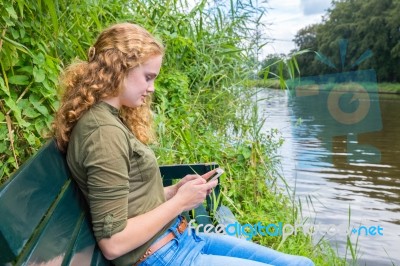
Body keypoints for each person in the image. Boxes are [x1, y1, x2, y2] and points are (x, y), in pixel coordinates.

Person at [53, 22, 314, 266]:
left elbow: (130, 200)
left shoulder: (108, 119)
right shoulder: (102, 133)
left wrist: (175, 192)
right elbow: (114, 243)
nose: (151, 88)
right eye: (148, 77)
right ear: (119, 68)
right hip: (164, 256)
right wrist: (180, 204)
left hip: (181, 240)